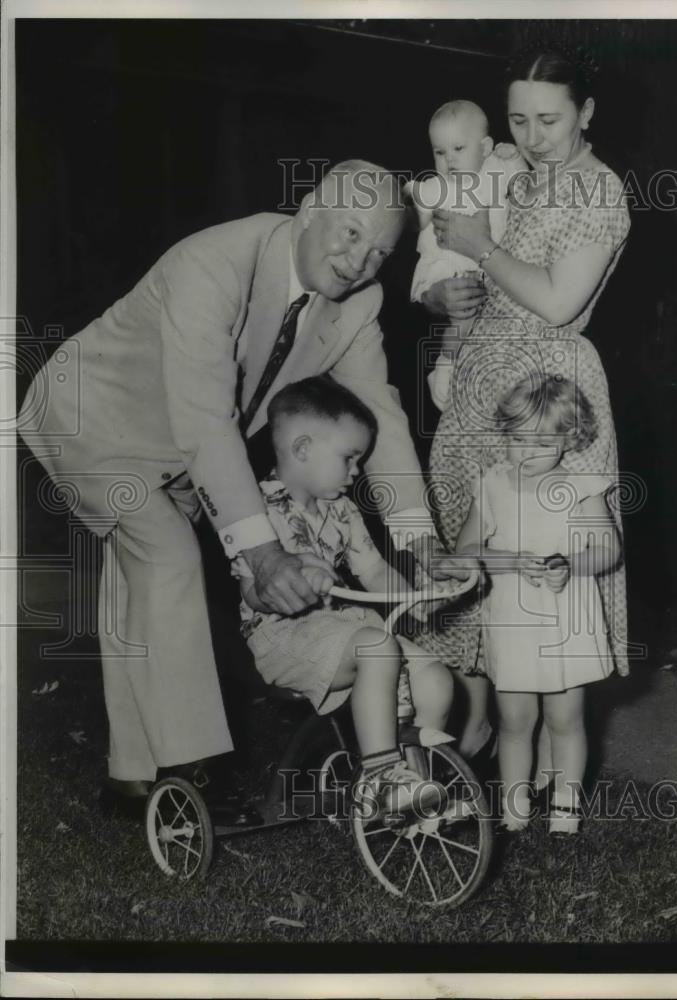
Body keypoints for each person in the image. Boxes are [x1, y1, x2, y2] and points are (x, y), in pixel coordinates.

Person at [19, 160, 448, 819]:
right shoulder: (215, 259)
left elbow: (381, 417)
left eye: (380, 251)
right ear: (308, 210)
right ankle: (191, 772)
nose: (359, 260)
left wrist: (421, 541)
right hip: (92, 416)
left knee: (146, 583)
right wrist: (263, 553)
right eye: (351, 232)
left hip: (182, 441)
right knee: (167, 555)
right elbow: (205, 417)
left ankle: (132, 779)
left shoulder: (359, 304)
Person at [417, 46, 632, 764]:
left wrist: (480, 247)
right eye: (519, 119)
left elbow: (557, 300)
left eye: (549, 120)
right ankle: (488, 725)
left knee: (550, 555)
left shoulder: (595, 190)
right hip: (479, 381)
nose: (533, 136)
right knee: (478, 550)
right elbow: (449, 265)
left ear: (586, 113)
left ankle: (553, 758)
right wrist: (439, 306)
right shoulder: (510, 173)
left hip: (545, 392)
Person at [233, 376, 453, 808]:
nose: (356, 472)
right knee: (378, 647)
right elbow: (253, 593)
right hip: (283, 637)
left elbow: (372, 569)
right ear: (302, 450)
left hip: (344, 629)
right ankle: (381, 775)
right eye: (349, 459)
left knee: (435, 679)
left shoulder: (341, 509)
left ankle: (419, 783)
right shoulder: (256, 514)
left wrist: (417, 597)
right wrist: (291, 583)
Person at [452, 374, 620, 834]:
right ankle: (515, 808)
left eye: (543, 441)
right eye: (518, 439)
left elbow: (608, 549)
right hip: (512, 619)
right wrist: (506, 559)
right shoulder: (491, 484)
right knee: (514, 720)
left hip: (566, 616)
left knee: (565, 718)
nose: (527, 451)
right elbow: (466, 550)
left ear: (569, 439)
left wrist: (572, 563)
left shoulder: (582, 486)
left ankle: (566, 808)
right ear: (504, 435)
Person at [406, 100, 523, 411]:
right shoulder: (434, 187)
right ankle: (445, 367)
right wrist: (405, 200)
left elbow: (522, 180)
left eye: (458, 148)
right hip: (447, 267)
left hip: (490, 266)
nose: (449, 160)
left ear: (484, 147)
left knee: (486, 326)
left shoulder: (496, 169)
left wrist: (513, 155)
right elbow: (412, 216)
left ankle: (467, 373)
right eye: (439, 152)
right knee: (463, 317)